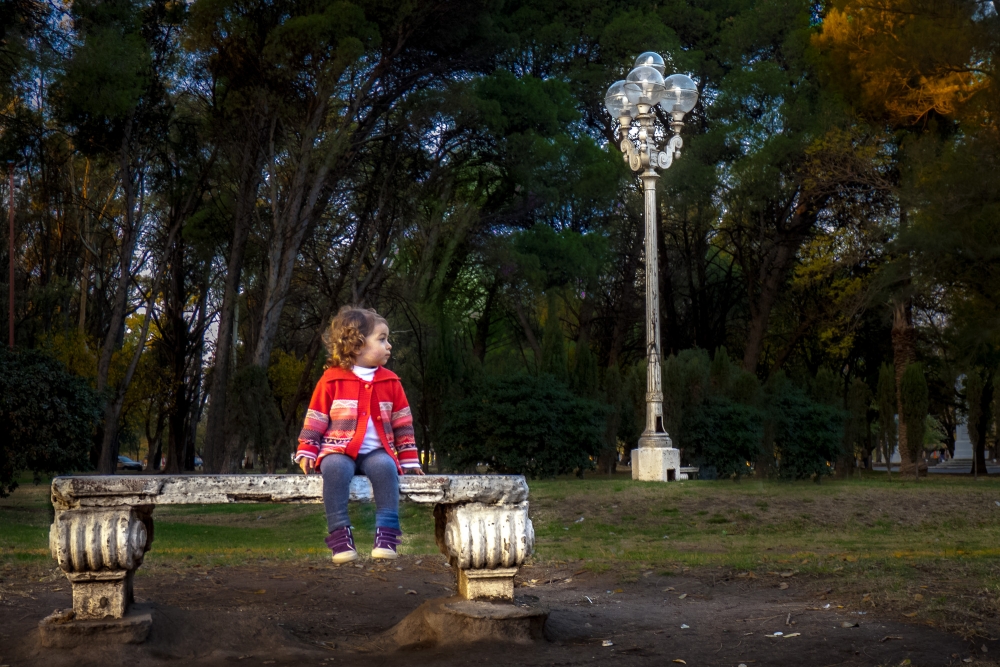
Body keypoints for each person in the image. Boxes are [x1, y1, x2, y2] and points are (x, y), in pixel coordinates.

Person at [294, 306, 422, 564]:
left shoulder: (391, 382)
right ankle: (340, 535)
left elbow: (403, 424)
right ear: (356, 345)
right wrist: (307, 448)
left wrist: (408, 460)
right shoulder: (331, 380)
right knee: (333, 469)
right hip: (338, 450)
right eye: (382, 339)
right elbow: (316, 417)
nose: (389, 346)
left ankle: (387, 533)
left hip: (377, 452)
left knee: (386, 468)